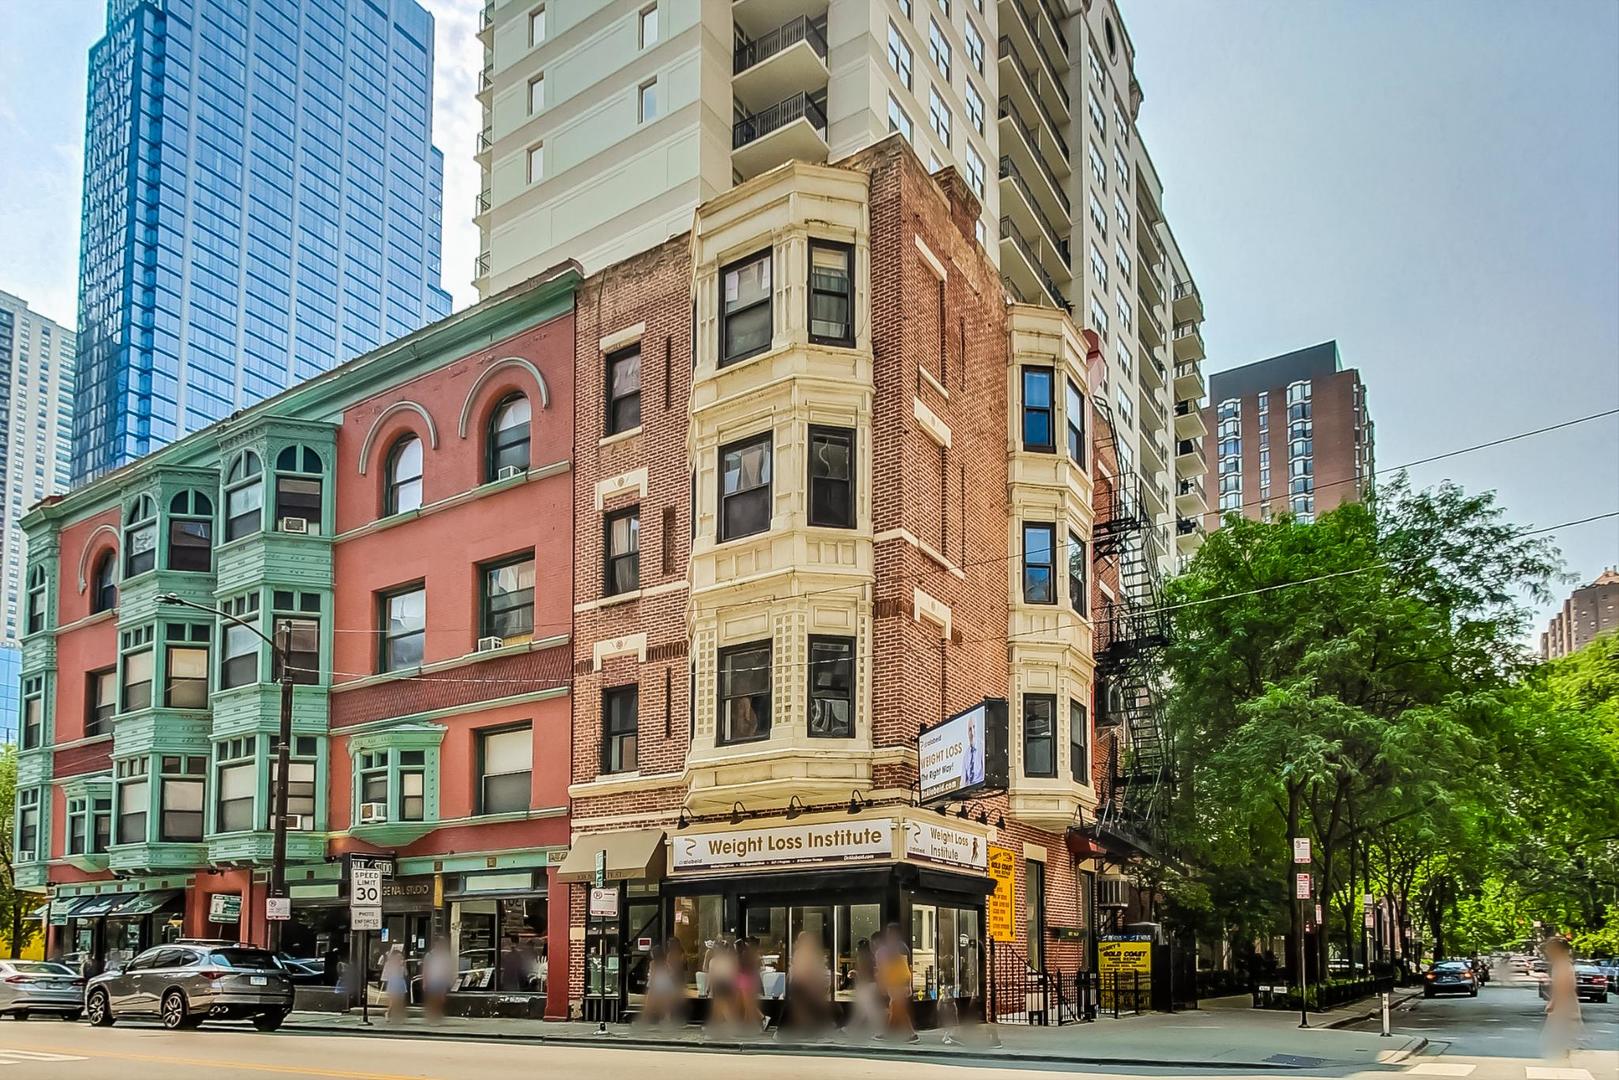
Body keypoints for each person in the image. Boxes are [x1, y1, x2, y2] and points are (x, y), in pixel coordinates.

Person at [1540, 937, 1583, 1061]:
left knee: (1560, 1031)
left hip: (1564, 1002)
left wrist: (1553, 1002)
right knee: (1562, 1031)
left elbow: (1564, 984)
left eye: (1549, 949)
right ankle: (1563, 1056)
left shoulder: (1562, 964)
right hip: (1566, 1001)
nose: (1547, 952)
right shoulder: (1563, 963)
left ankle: (1563, 1057)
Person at [876, 924, 918, 1043]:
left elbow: (899, 967)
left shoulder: (896, 947)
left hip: (898, 983)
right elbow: (907, 966)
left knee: (898, 1008)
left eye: (889, 933)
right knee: (894, 1008)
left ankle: (911, 1034)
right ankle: (888, 1032)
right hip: (900, 982)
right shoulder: (901, 946)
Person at [785, 931, 832, 1036]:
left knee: (803, 1003)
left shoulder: (808, 953)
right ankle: (806, 1025)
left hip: (808, 985)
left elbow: (810, 970)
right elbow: (801, 971)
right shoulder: (801, 953)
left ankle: (809, 1025)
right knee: (800, 1003)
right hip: (803, 984)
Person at [422, 942, 453, 1022]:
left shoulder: (445, 955)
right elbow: (425, 969)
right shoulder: (429, 955)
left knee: (441, 998)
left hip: (442, 979)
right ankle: (432, 1014)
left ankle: (436, 1011)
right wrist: (425, 981)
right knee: (433, 997)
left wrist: (449, 978)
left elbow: (448, 968)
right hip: (433, 978)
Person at [381, 945, 409, 1023]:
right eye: (398, 957)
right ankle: (388, 1013)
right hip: (393, 981)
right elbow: (386, 975)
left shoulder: (402, 965)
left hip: (401, 981)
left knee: (401, 1000)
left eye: (401, 957)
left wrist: (404, 966)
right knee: (393, 1001)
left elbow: (406, 974)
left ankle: (399, 1016)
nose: (400, 959)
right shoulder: (389, 964)